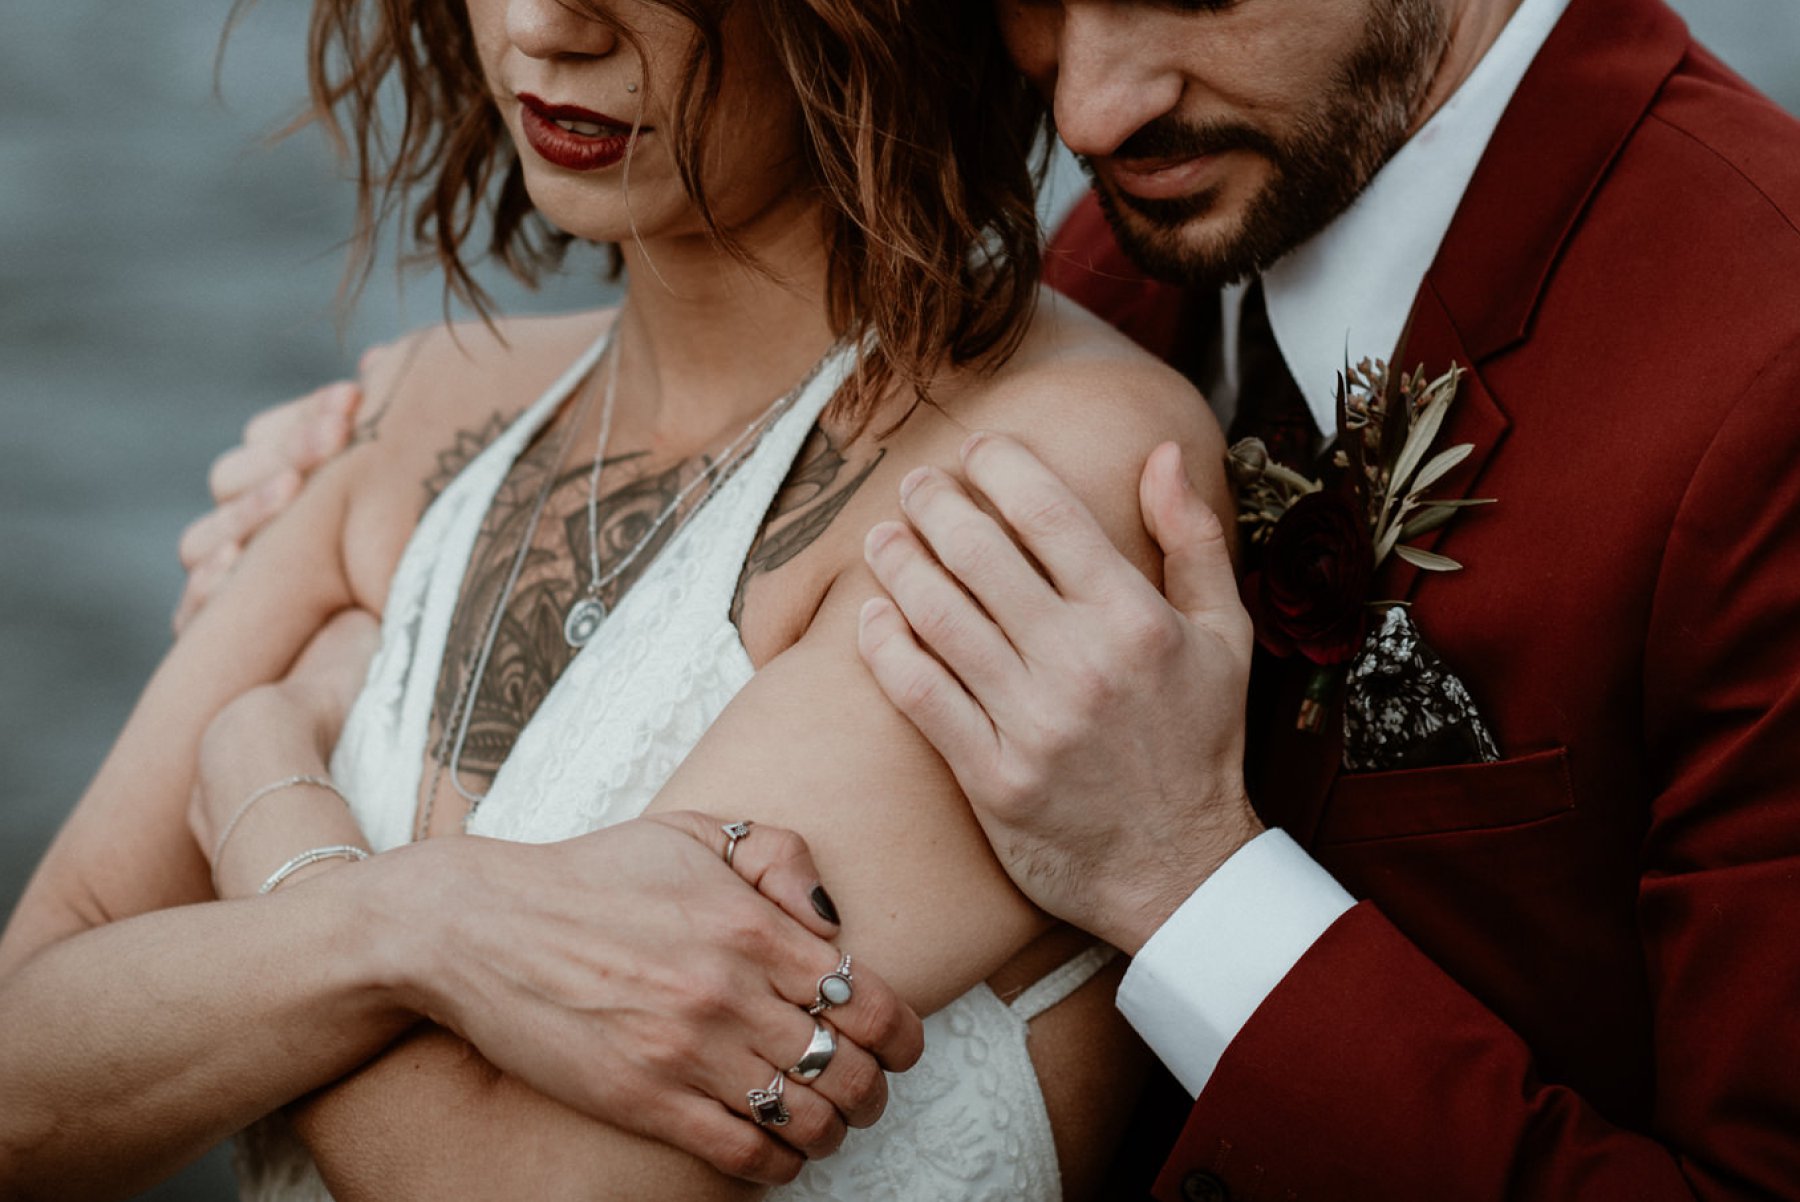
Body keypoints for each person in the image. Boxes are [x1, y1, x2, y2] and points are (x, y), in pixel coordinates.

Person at [200, 0, 1800, 1197]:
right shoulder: (1139, 242)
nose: (1089, 103)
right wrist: (409, 461)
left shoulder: (1765, 372)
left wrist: (1185, 882)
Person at [0, 0, 1231, 1198]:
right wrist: (407, 924)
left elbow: (506, 1178)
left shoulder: (1040, 477)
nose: (548, 27)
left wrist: (260, 784)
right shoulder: (414, 416)